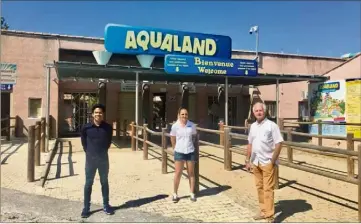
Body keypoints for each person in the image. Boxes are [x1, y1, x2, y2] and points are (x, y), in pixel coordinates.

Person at [245, 102, 284, 223]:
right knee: (260, 188)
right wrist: (247, 160)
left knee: (268, 189)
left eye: (260, 110)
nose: (258, 112)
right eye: (256, 111)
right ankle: (263, 211)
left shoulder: (272, 126)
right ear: (253, 113)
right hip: (255, 162)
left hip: (267, 162)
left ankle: (270, 216)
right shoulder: (253, 126)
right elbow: (250, 143)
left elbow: (279, 143)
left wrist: (273, 161)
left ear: (264, 111)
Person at [80, 103, 114, 218]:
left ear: (103, 114)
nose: (98, 114)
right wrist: (89, 153)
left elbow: (109, 142)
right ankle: (86, 208)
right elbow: (84, 143)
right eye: (96, 112)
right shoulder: (86, 128)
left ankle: (106, 205)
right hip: (90, 160)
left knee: (104, 182)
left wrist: (102, 152)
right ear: (93, 114)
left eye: (100, 112)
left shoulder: (108, 127)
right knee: (88, 183)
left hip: (104, 159)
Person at [170, 107, 197, 203]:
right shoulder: (175, 126)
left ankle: (192, 193)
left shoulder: (192, 125)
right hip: (179, 152)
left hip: (190, 151)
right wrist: (175, 148)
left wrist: (190, 144)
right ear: (179, 115)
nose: (184, 116)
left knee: (191, 173)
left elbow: (194, 136)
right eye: (182, 114)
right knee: (178, 173)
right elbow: (172, 138)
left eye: (186, 114)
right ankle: (175, 193)